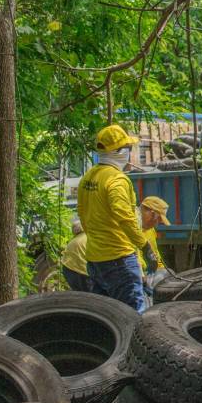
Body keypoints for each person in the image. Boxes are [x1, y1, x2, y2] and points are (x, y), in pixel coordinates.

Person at [78, 124, 158, 312]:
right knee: (132, 316)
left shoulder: (88, 178)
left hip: (95, 260)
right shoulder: (117, 180)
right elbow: (125, 218)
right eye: (128, 149)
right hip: (118, 259)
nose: (130, 153)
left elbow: (83, 214)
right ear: (120, 152)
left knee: (106, 317)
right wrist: (145, 246)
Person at [61, 219, 92, 292]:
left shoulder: (73, 241)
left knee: (80, 296)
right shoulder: (89, 237)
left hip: (67, 270)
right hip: (81, 272)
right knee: (92, 297)